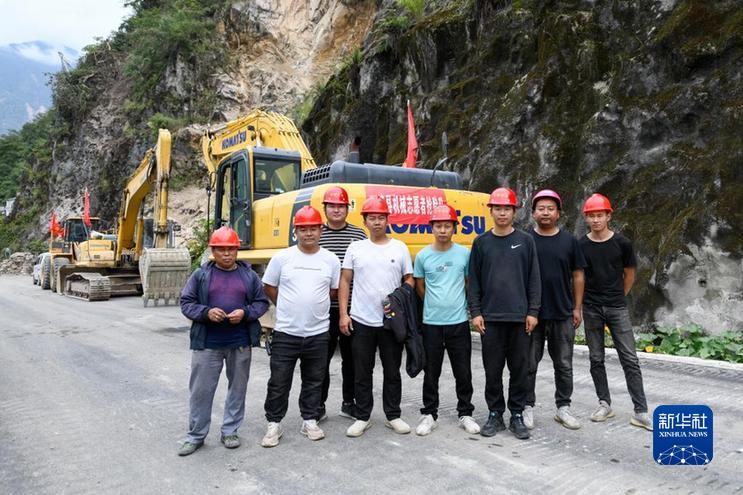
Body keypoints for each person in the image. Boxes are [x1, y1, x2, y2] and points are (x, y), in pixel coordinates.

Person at [178, 226, 270, 456]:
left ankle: (230, 431)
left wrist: (245, 313)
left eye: (231, 249)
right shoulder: (201, 275)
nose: (227, 254)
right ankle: (195, 436)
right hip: (207, 343)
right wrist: (206, 312)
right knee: (201, 390)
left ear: (237, 250)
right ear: (213, 251)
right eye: (221, 249)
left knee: (237, 388)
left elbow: (261, 303)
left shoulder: (249, 276)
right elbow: (186, 303)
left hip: (240, 342)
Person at [260, 206, 341, 447]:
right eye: (303, 229)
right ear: (295, 231)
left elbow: (333, 291)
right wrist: (288, 306)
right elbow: (269, 287)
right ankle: (274, 424)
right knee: (279, 381)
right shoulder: (282, 258)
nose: (308, 234)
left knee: (314, 379)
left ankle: (310, 420)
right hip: (286, 332)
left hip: (318, 333)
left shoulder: (330, 260)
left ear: (321, 231)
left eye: (313, 229)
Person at [468, 187, 540, 440]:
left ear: (514, 212)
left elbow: (534, 279)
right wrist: (475, 312)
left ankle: (517, 414)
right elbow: (474, 281)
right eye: (497, 208)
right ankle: (495, 414)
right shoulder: (481, 243)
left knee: (519, 370)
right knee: (493, 370)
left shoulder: (526, 241)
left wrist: (533, 311)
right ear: (491, 211)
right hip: (491, 319)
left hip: (520, 318)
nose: (502, 213)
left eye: (506, 209)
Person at [339, 196, 414, 437]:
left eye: (381, 217)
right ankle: (363, 416)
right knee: (362, 371)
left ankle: (393, 415)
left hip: (390, 320)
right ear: (365, 221)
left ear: (387, 220)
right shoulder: (356, 248)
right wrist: (343, 314)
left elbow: (409, 279)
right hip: (361, 319)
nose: (377, 222)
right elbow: (345, 280)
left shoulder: (399, 247)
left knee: (392, 370)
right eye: (372, 218)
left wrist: (400, 295)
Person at [579, 193, 652, 431]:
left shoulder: (622, 243)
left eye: (599, 215)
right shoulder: (582, 245)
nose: (596, 220)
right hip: (591, 307)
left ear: (608, 216)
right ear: (586, 218)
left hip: (617, 307)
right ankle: (604, 404)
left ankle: (640, 411)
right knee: (596, 357)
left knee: (629, 358)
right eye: (591, 216)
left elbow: (630, 273)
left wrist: (619, 296)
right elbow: (579, 276)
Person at [413, 204, 480, 436]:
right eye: (438, 226)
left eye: (447, 226)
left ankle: (465, 413)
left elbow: (468, 283)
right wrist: (436, 304)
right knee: (431, 372)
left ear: (454, 228)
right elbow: (420, 287)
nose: (443, 230)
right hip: (431, 323)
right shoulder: (423, 256)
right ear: (432, 228)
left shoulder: (464, 254)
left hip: (458, 322)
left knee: (463, 371)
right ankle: (429, 414)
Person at [525, 189, 586, 431]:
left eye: (551, 209)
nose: (546, 213)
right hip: (533, 315)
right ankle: (526, 406)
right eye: (541, 208)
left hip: (562, 312)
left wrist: (577, 307)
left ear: (559, 213)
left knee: (564, 364)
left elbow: (578, 275)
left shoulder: (570, 241)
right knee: (528, 364)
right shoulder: (526, 240)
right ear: (533, 213)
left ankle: (563, 408)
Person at [317, 186, 367, 422]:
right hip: (323, 310)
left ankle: (349, 403)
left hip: (353, 309)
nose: (336, 210)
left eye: (341, 206)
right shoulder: (316, 233)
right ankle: (318, 405)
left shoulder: (358, 235)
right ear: (325, 208)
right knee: (320, 359)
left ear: (348, 209)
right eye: (332, 206)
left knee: (352, 359)